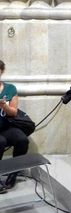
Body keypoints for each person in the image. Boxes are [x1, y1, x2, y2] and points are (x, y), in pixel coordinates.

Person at [0, 60, 29, 193]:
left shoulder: (10, 88)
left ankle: (13, 173)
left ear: (2, 71)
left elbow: (14, 112)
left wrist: (4, 106)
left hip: (6, 127)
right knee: (1, 142)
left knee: (22, 140)